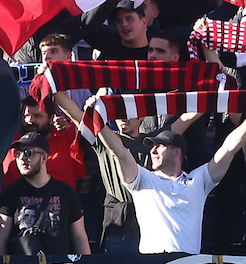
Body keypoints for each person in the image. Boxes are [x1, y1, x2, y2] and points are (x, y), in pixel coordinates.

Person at [58, 92, 246, 254]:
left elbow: (230, 147)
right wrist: (95, 116)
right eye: (152, 146)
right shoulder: (143, 180)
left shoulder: (199, 180)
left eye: (159, 146)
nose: (153, 151)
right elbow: (119, 151)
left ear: (177, 151)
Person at [0, 133, 89, 256]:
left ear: (44, 158)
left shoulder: (66, 192)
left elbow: (79, 237)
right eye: (18, 153)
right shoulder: (9, 194)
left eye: (28, 153)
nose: (21, 158)